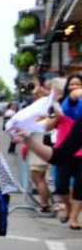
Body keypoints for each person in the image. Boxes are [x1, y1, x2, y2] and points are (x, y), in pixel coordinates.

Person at [49, 74, 82, 229]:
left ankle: (74, 217)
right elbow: (49, 125)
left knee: (80, 186)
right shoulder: (60, 103)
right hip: (63, 150)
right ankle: (68, 208)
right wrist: (55, 116)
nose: (74, 87)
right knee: (61, 185)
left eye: (78, 84)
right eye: (71, 84)